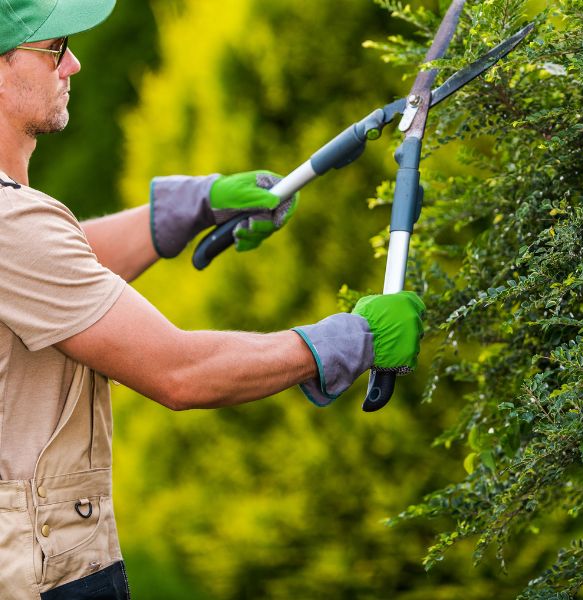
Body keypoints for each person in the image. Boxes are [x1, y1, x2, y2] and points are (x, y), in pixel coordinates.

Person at [0, 1, 425, 598]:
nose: (73, 63)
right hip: (41, 579)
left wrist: (191, 206)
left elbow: (61, 271)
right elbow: (180, 373)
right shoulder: (12, 225)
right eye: (53, 48)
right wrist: (350, 340)